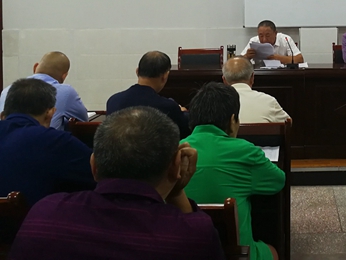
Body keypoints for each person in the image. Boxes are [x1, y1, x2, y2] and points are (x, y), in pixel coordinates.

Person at [10, 106, 225, 260]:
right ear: (175, 166)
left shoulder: (45, 213)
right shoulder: (192, 235)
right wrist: (177, 192)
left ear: (93, 165)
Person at [183, 82, 285, 260]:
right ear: (232, 121)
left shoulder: (176, 151)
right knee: (272, 251)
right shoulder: (246, 151)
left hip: (185, 251)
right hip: (237, 253)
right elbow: (278, 181)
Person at [0, 78, 94, 206]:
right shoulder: (57, 142)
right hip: (35, 217)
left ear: (2, 115)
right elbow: (100, 173)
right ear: (50, 114)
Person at [106, 51, 190, 138]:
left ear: (137, 71)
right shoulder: (169, 107)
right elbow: (184, 133)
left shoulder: (113, 101)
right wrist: (182, 112)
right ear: (165, 76)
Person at [0, 51, 88, 130]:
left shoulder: (6, 91)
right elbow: (84, 120)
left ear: (35, 67)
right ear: (64, 76)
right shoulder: (66, 92)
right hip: (45, 141)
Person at [222, 56, 291, 123]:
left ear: (224, 80)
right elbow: (288, 123)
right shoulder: (269, 101)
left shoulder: (217, 104)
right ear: (252, 78)